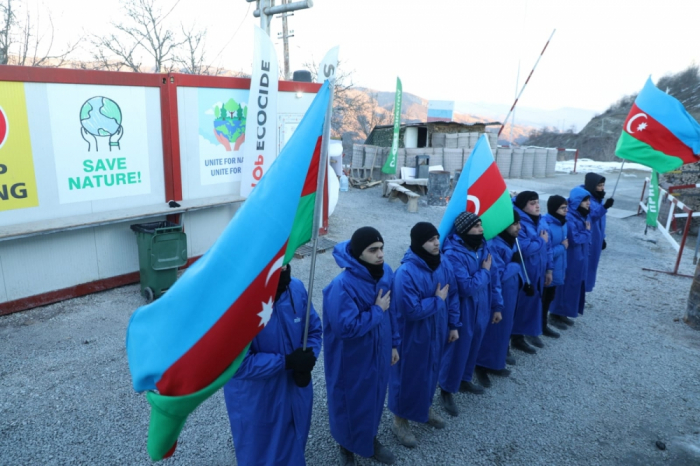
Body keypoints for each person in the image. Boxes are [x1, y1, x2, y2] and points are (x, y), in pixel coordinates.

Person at [223, 264, 322, 466]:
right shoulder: (236, 302)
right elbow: (235, 365)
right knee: (260, 453)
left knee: (295, 443)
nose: (284, 266)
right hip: (257, 399)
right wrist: (285, 362)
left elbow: (313, 330)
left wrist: (308, 358)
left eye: (286, 259)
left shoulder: (297, 288)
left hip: (295, 389)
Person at [322, 227, 399, 466]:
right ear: (358, 254)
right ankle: (346, 444)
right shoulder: (342, 285)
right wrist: (376, 311)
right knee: (349, 398)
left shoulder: (386, 272)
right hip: (351, 357)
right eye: (373, 250)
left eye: (382, 248)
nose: (380, 254)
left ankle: (369, 438)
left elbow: (392, 311)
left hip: (380, 349)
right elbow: (345, 328)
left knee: (375, 395)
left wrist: (394, 344)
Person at [389, 222, 460, 446]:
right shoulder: (405, 273)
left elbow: (454, 294)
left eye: (437, 238)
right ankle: (399, 421)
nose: (437, 243)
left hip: (438, 331)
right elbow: (410, 310)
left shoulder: (443, 263)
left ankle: (424, 408)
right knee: (408, 376)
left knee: (431, 371)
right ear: (419, 243)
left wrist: (453, 324)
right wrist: (437, 300)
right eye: (431, 240)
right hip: (412, 336)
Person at [439, 212, 499, 409]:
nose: (481, 229)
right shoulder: (452, 254)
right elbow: (466, 287)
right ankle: (446, 389)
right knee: (458, 348)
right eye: (476, 226)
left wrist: (497, 305)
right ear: (464, 230)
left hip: (482, 307)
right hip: (464, 309)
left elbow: (495, 278)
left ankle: (464, 379)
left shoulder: (483, 247)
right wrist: (484, 272)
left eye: (481, 225)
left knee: (474, 345)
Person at [474, 210, 523, 388]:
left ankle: (496, 362)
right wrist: (516, 264)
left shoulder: (510, 242)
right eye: (515, 224)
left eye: (519, 223)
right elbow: (499, 274)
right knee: (493, 330)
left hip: (511, 294)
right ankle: (481, 366)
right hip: (499, 294)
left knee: (504, 330)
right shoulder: (495, 245)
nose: (519, 227)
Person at [511, 191, 553, 354]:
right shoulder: (518, 222)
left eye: (537, 202)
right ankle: (515, 337)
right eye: (532, 203)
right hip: (524, 272)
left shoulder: (541, 221)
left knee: (534, 303)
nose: (537, 206)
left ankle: (527, 332)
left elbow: (548, 248)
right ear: (523, 206)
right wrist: (540, 242)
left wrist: (549, 269)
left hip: (539, 270)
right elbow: (524, 249)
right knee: (519, 305)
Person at [550, 187, 592, 325]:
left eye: (589, 200)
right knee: (566, 285)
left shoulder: (580, 215)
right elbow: (574, 239)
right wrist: (587, 232)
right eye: (585, 200)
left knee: (574, 285)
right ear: (577, 202)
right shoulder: (570, 217)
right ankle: (557, 313)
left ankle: (565, 312)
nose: (588, 203)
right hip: (571, 257)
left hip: (578, 257)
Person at [541, 195, 568, 336]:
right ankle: (540, 326)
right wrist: (562, 247)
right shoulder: (547, 225)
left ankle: (543, 325)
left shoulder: (562, 223)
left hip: (558, 268)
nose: (566, 210)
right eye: (562, 208)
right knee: (543, 300)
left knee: (550, 298)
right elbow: (546, 251)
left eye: (566, 207)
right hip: (549, 269)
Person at [582, 173, 614, 292]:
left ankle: (585, 292)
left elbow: (601, 223)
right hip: (589, 238)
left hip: (596, 237)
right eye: (599, 185)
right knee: (585, 267)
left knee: (591, 267)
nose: (602, 188)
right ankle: (581, 293)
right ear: (592, 185)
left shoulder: (597, 198)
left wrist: (603, 237)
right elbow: (591, 216)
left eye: (603, 185)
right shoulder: (586, 199)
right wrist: (604, 207)